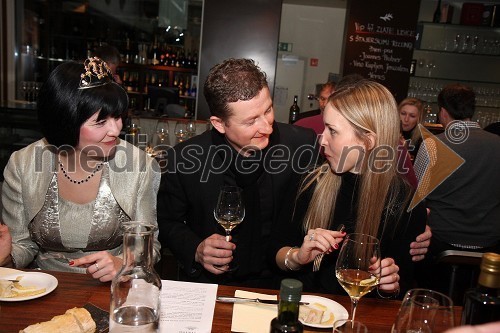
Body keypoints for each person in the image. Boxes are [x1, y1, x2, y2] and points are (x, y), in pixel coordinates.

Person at [157, 58, 320, 288]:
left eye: (268, 110)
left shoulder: (302, 145)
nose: (267, 126)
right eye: (251, 120)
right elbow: (166, 221)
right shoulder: (184, 158)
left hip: (283, 284)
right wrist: (196, 248)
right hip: (211, 286)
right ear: (219, 123)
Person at [1, 57, 161, 282]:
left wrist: (125, 264)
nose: (115, 130)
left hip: (113, 288)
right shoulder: (22, 165)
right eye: (101, 122)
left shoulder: (140, 166)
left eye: (118, 117)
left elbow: (149, 247)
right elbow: (21, 245)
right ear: (66, 121)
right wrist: (5, 258)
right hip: (41, 288)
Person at [269, 79, 427, 297]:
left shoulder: (404, 203)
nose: (321, 139)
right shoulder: (308, 181)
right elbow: (273, 253)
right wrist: (297, 257)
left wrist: (391, 284)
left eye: (332, 131)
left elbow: (404, 289)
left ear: (368, 141)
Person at [419, 83, 500, 256]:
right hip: (490, 242)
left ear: (443, 112)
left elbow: (416, 194)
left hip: (439, 239)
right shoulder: (497, 144)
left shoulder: (433, 145)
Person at [398, 97, 424, 162]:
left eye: (412, 116)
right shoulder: (387, 134)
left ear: (419, 119)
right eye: (403, 114)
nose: (406, 119)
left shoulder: (422, 142)